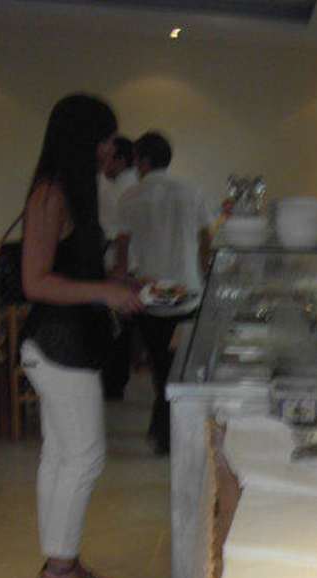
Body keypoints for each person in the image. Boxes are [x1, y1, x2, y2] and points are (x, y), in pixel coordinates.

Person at [20, 93, 142, 578]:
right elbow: (35, 282)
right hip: (58, 346)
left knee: (61, 456)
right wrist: (104, 292)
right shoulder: (52, 193)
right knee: (85, 457)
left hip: (64, 344)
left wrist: (118, 283)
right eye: (106, 138)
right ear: (84, 139)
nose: (111, 148)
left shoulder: (71, 190)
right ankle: (61, 569)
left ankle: (59, 563)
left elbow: (73, 269)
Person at [115, 131, 212, 454]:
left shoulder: (130, 196)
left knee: (159, 365)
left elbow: (122, 245)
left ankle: (164, 432)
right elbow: (206, 238)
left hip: (151, 293)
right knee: (181, 366)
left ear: (143, 161)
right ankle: (170, 432)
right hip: (188, 291)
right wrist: (204, 271)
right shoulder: (192, 190)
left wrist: (120, 281)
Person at [98, 135, 139, 400]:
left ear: (121, 160)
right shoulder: (122, 185)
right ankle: (116, 381)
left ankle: (113, 382)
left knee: (116, 326)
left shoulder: (122, 189)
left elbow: (119, 233)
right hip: (125, 263)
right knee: (120, 326)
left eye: (109, 158)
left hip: (118, 264)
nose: (104, 163)